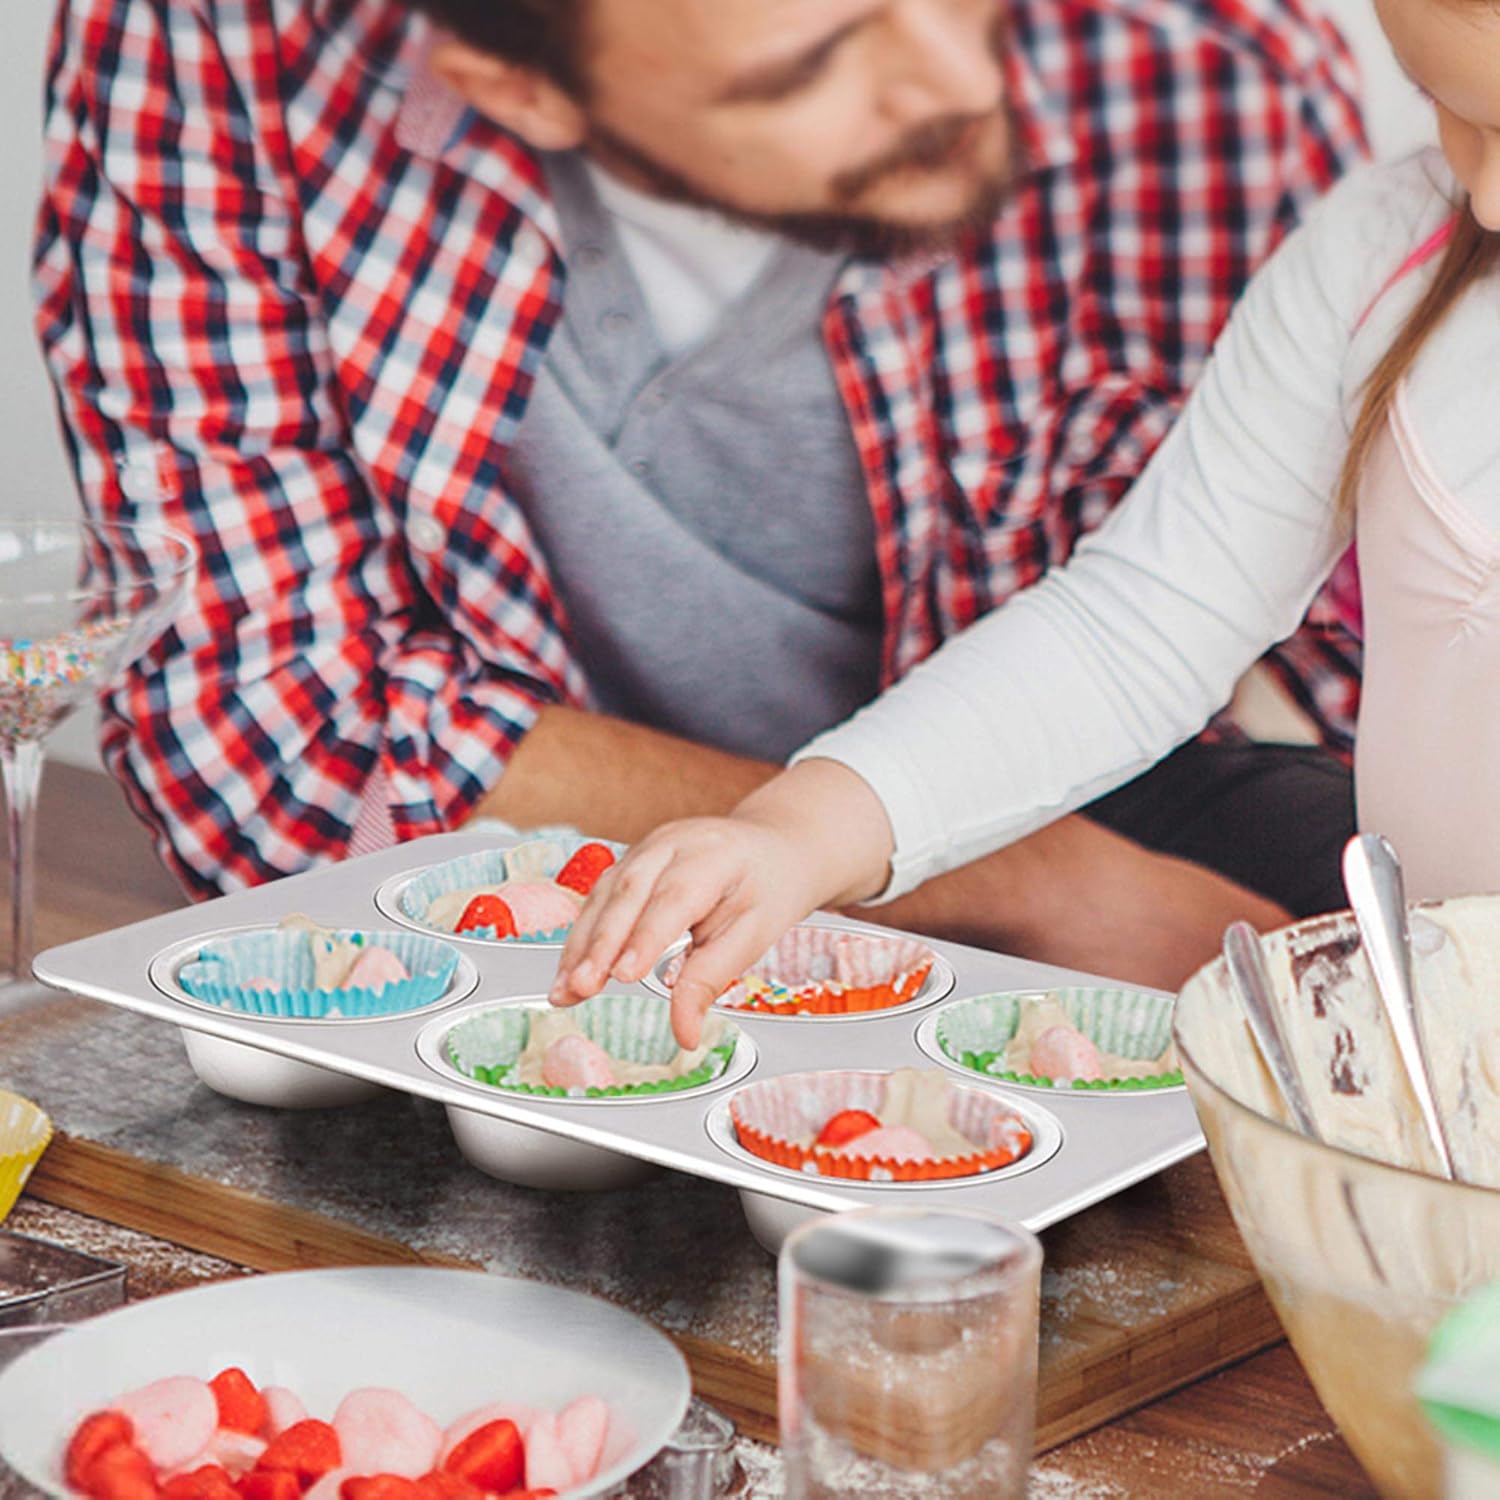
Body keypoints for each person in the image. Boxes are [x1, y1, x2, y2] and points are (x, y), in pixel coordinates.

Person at [35, 0, 1363, 989]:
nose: (969, 76)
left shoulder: (1210, 54)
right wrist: (1030, 884)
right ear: (517, 90)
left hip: (1092, 806)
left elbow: (1301, 636)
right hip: (516, 885)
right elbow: (268, 742)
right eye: (808, 64)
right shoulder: (218, 44)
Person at [553, 0, 1500, 1047]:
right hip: (1437, 1038)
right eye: (1447, 107)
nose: (1487, 192)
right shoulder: (1381, 252)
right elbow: (1137, 626)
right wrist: (798, 832)